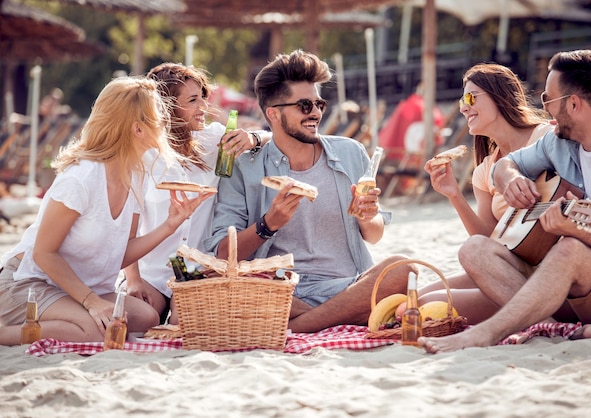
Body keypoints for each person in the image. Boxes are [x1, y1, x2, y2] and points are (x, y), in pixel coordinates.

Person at [419, 49, 591, 353]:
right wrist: (511, 178)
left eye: (547, 100)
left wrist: (578, 232)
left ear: (573, 104)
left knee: (571, 249)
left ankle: (485, 334)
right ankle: (555, 327)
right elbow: (507, 164)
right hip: (565, 287)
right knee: (474, 249)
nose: (544, 109)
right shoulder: (558, 142)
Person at [204, 50, 415, 333]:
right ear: (274, 114)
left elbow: (374, 236)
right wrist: (268, 225)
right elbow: (222, 254)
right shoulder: (244, 168)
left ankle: (305, 324)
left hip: (347, 285)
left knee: (404, 269)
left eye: (319, 103)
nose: (315, 112)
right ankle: (343, 315)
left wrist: (369, 216)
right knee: (219, 292)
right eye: (304, 105)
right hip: (280, 291)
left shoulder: (350, 152)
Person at [0, 76, 210, 345]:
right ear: (137, 129)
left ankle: (62, 321)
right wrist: (91, 303)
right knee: (98, 331)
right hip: (29, 283)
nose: (164, 124)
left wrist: (171, 224)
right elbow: (43, 253)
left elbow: (120, 254)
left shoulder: (135, 174)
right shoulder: (80, 179)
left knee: (146, 318)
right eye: (158, 117)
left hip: (76, 287)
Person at [123, 63, 270, 325]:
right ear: (165, 107)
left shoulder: (212, 141)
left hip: (200, 272)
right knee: (136, 320)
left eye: (203, 97)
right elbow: (126, 229)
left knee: (186, 324)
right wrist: (133, 280)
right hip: (151, 273)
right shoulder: (142, 155)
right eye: (193, 100)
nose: (204, 106)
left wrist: (253, 138)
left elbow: (274, 137)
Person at [419, 63, 552, 323]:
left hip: (547, 265)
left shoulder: (544, 138)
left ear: (499, 95)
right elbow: (489, 242)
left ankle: (547, 322)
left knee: (427, 305)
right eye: (461, 101)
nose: (464, 107)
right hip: (510, 268)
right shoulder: (484, 170)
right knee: (421, 300)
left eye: (471, 97)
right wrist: (454, 195)